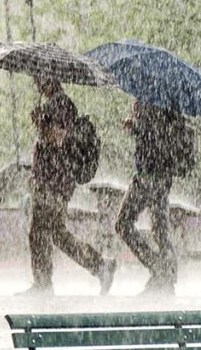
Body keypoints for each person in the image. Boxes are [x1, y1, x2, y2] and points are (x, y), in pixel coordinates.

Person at [18, 76, 115, 296]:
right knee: (57, 233)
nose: (36, 83)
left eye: (39, 77)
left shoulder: (61, 104)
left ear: (51, 79)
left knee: (39, 231)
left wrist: (41, 124)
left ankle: (44, 283)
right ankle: (100, 266)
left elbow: (58, 139)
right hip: (53, 181)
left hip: (54, 181)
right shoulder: (55, 104)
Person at [115, 100, 196, 296]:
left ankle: (160, 270)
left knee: (123, 224)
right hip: (160, 176)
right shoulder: (168, 102)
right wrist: (136, 125)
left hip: (148, 176)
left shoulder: (153, 100)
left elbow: (154, 135)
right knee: (159, 228)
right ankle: (166, 276)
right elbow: (159, 135)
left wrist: (136, 125)